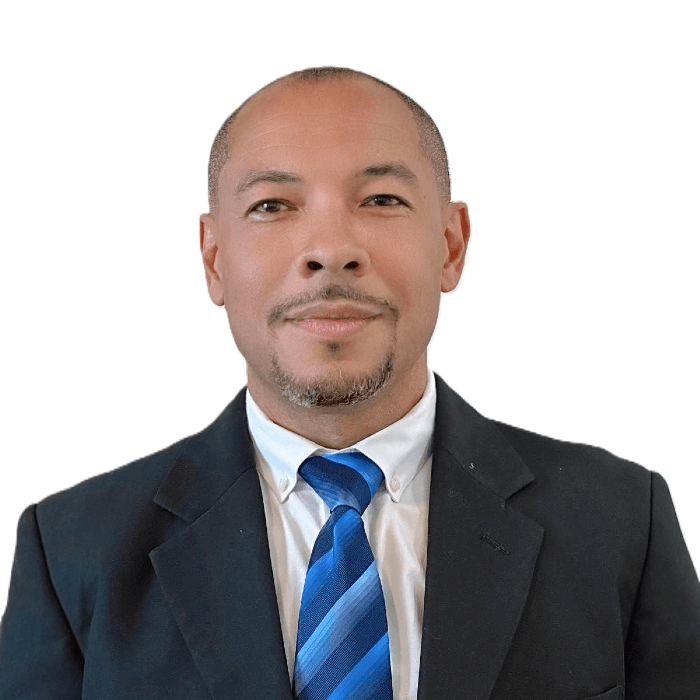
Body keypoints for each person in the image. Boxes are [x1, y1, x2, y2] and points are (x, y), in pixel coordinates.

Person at [1, 66, 698, 700]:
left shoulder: (619, 527)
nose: (331, 250)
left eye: (382, 198)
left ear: (451, 244)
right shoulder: (72, 555)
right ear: (214, 260)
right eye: (273, 205)